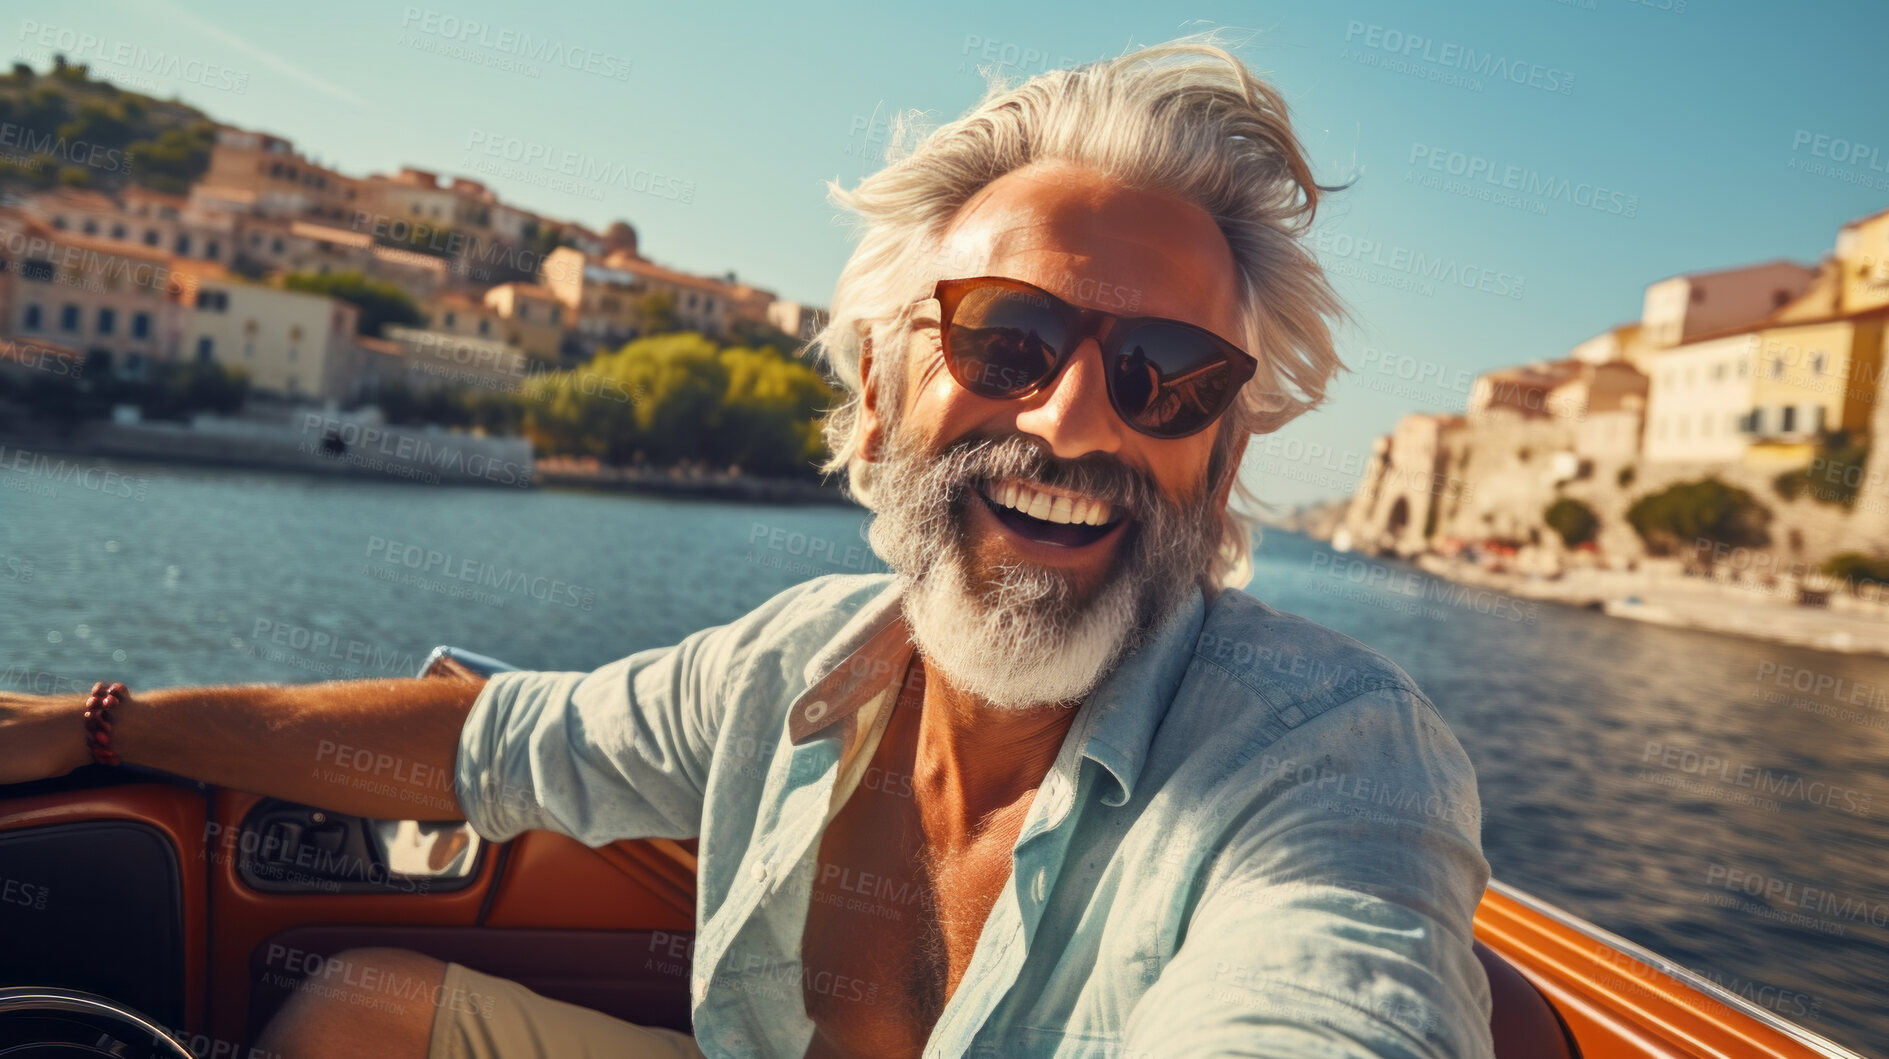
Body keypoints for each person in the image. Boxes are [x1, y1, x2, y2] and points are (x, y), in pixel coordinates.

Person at [1, 37, 1493, 1059]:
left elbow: (1328, 996)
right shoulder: (797, 664)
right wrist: (96, 725)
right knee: (365, 1007)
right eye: (1008, 335)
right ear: (875, 385)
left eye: (1166, 375)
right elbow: (494, 741)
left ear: (1220, 453)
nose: (1075, 420)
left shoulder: (1331, 759)